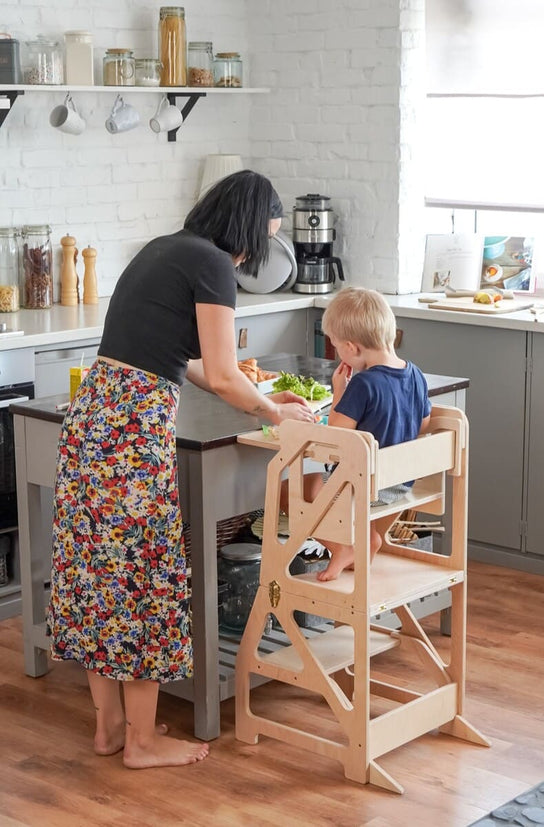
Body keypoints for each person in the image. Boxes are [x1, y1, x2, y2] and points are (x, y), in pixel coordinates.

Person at [47, 170, 315, 770]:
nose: (253, 256)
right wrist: (273, 411)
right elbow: (222, 372)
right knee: (143, 580)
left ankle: (112, 727)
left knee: (100, 579)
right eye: (262, 239)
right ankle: (142, 744)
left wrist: (256, 400)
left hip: (94, 417)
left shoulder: (165, 248)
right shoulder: (213, 266)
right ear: (245, 228)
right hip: (131, 434)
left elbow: (187, 359)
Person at [282, 286, 431, 582]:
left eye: (336, 345)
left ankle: (344, 547)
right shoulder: (415, 374)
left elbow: (334, 438)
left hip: (361, 487)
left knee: (289, 490)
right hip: (398, 483)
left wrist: (339, 392)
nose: (337, 351)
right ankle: (367, 541)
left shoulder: (363, 385)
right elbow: (424, 425)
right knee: (317, 486)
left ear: (352, 348)